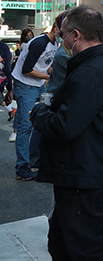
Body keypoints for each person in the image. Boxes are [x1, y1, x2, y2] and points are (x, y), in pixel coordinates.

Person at [30, 6, 103, 260]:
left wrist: (38, 112)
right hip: (86, 169)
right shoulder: (101, 64)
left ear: (75, 35)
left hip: (84, 174)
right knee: (62, 242)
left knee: (88, 248)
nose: (62, 40)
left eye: (63, 35)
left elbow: (66, 126)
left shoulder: (91, 71)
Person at [12, 19, 59, 180]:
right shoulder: (40, 43)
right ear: (56, 28)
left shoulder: (53, 45)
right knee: (26, 125)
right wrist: (48, 76)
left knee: (41, 122)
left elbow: (46, 64)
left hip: (39, 84)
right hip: (26, 85)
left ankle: (35, 161)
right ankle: (22, 166)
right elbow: (26, 69)